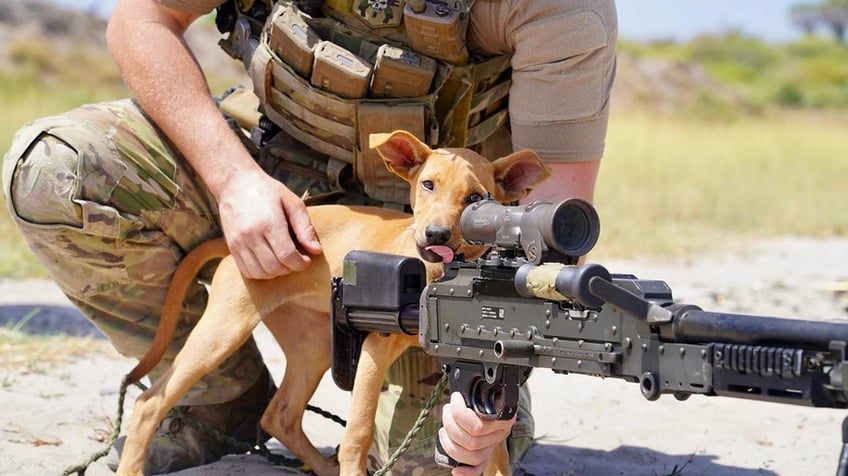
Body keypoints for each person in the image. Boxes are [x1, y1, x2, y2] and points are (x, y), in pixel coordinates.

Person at [1, 0, 616, 474]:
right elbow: (142, 16)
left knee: (444, 458)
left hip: (453, 256)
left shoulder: (561, 12)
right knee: (57, 167)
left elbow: (552, 229)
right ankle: (214, 400)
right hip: (268, 186)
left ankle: (289, 420)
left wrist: (494, 373)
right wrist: (232, 179)